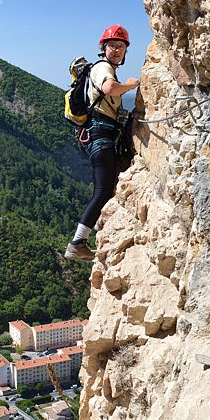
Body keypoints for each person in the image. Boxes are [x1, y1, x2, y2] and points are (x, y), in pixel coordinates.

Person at [65, 24, 139, 261]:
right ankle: (77, 242)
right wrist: (131, 85)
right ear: (103, 48)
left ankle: (101, 227)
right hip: (100, 135)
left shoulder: (103, 67)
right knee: (103, 189)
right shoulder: (103, 68)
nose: (116, 50)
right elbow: (109, 88)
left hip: (100, 135)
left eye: (121, 46)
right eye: (112, 46)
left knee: (112, 183)